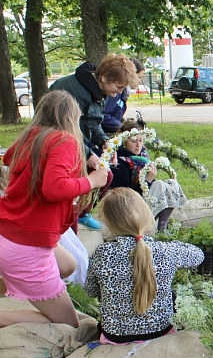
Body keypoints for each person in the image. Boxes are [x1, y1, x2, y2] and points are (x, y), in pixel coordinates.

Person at [0, 90, 111, 358]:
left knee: (68, 265)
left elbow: (16, 162)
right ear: (71, 117)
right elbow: (53, 188)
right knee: (68, 324)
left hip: (0, 236)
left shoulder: (32, 136)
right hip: (24, 249)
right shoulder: (64, 140)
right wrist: (92, 181)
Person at [0, 124, 89, 303]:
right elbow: (4, 213)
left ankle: (79, 287)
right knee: (49, 238)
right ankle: (70, 294)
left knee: (61, 235)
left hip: (8, 241)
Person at [84, 188, 204, 343]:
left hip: (114, 335)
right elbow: (199, 255)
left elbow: (91, 291)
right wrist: (172, 246)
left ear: (107, 222)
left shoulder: (102, 254)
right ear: (146, 215)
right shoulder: (166, 251)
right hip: (161, 331)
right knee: (171, 294)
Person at [50, 53, 139, 229]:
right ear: (104, 77)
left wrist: (105, 142)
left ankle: (81, 212)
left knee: (106, 176)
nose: (119, 93)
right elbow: (64, 128)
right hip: (59, 146)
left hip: (78, 144)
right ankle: (70, 220)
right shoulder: (71, 91)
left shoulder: (102, 90)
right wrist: (87, 153)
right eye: (118, 86)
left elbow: (93, 122)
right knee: (81, 183)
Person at [108, 120, 187, 231]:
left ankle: (162, 229)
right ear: (124, 141)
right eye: (134, 141)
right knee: (159, 185)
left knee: (171, 183)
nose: (138, 145)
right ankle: (153, 229)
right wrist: (147, 180)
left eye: (141, 140)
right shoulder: (119, 163)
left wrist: (151, 180)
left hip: (142, 201)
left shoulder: (143, 158)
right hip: (128, 210)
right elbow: (126, 197)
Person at [101, 57, 146, 134]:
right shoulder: (115, 92)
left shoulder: (124, 92)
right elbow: (104, 115)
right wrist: (122, 127)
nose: (140, 81)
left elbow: (115, 113)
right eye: (139, 77)